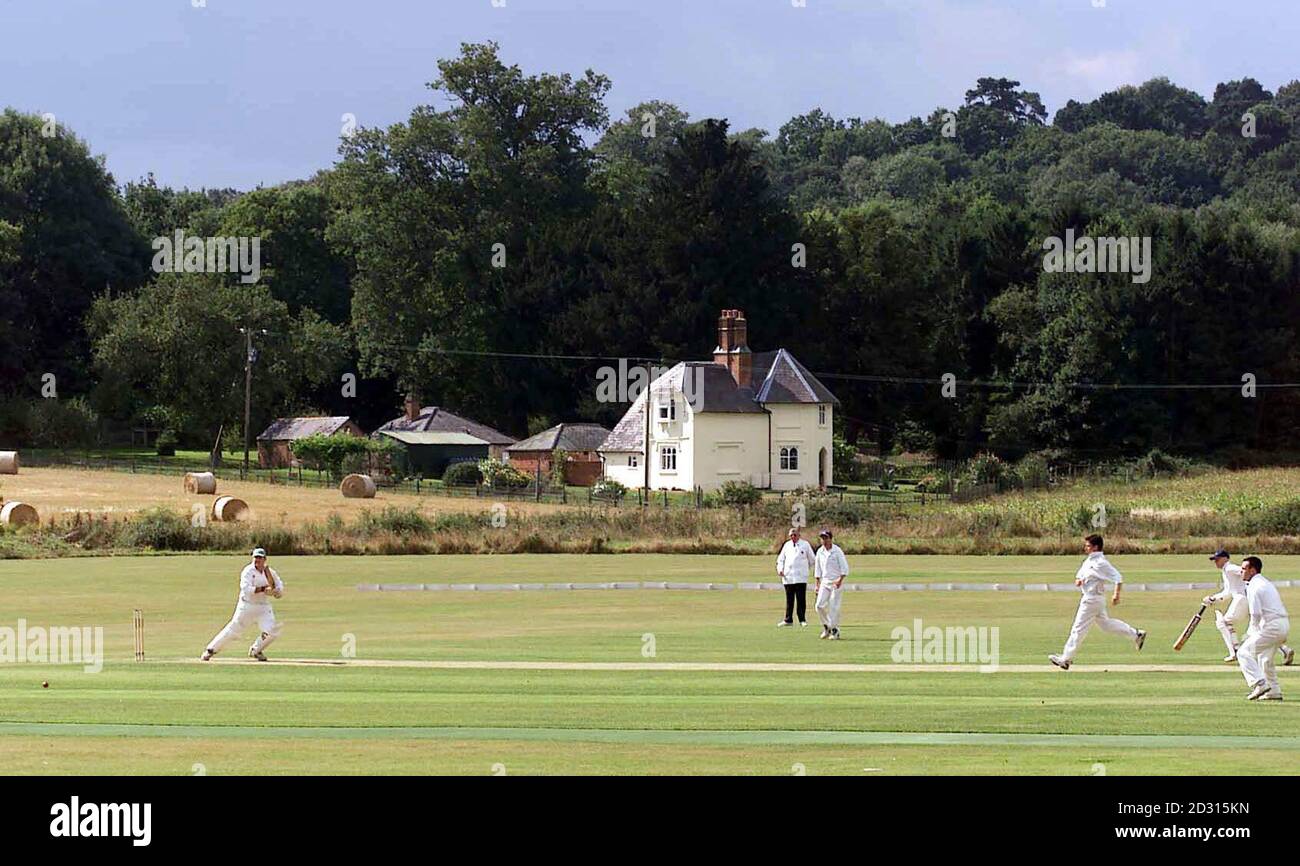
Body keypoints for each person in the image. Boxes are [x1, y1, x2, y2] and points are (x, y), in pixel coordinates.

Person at [1049, 534, 1146, 670]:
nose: (1085, 548)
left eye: (1088, 546)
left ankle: (1066, 659)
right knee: (1106, 625)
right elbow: (1080, 576)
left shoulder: (1101, 562)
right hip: (1092, 599)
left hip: (1092, 600)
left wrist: (1116, 595)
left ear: (1095, 547)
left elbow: (1118, 577)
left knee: (1078, 629)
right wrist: (1079, 581)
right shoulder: (1088, 561)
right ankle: (1136, 634)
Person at [1205, 549, 1293, 665]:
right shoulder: (1226, 571)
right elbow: (1228, 592)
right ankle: (1284, 649)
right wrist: (1213, 598)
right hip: (1243, 599)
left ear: (1225, 559)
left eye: (1218, 559)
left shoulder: (1230, 568)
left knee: (1224, 623)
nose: (1216, 562)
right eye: (1215, 560)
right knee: (1261, 630)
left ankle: (1235, 650)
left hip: (1242, 599)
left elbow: (1245, 572)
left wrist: (1254, 584)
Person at [201, 548, 284, 662]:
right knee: (233, 630)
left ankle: (256, 650)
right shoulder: (248, 571)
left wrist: (276, 592)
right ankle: (210, 650)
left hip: (263, 607)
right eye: (255, 557)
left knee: (273, 630)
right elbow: (246, 589)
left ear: (265, 559)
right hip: (246, 606)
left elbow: (279, 587)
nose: (257, 560)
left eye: (260, 558)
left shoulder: (270, 572)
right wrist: (264, 589)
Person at [1237, 556, 1290, 701]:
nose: (1240, 572)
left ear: (1252, 570)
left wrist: (1250, 633)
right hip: (1283, 624)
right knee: (1265, 659)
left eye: (1243, 569)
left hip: (1271, 626)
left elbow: (1255, 614)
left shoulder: (1255, 586)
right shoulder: (1265, 582)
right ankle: (1273, 691)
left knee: (1243, 652)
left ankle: (1259, 683)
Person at [814, 529, 850, 640]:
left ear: (831, 539)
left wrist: (840, 580)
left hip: (836, 582)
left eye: (826, 538)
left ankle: (835, 631)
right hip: (825, 582)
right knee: (819, 605)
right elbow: (817, 568)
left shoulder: (837, 551)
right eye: (822, 538)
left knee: (833, 607)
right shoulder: (820, 551)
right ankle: (827, 627)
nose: (824, 540)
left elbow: (845, 568)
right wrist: (817, 584)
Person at [775, 527, 815, 628]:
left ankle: (802, 619)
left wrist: (805, 569)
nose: (793, 537)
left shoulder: (805, 545)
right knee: (789, 599)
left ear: (799, 535)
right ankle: (788, 619)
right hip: (788, 577)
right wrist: (780, 569)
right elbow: (780, 559)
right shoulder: (787, 545)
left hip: (801, 577)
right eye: (791, 535)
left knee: (801, 599)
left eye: (795, 535)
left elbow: (812, 560)